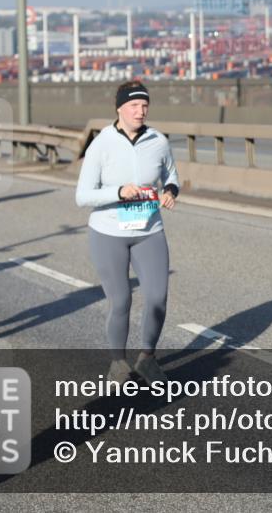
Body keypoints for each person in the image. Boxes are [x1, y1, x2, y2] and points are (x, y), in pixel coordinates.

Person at [76, 81, 179, 385]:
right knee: (121, 301)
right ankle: (118, 363)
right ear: (119, 108)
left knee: (158, 298)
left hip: (149, 230)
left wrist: (171, 190)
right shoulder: (102, 144)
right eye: (134, 105)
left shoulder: (158, 141)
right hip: (109, 233)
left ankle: (147, 358)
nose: (140, 111)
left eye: (145, 105)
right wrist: (119, 191)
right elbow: (82, 196)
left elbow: (171, 175)